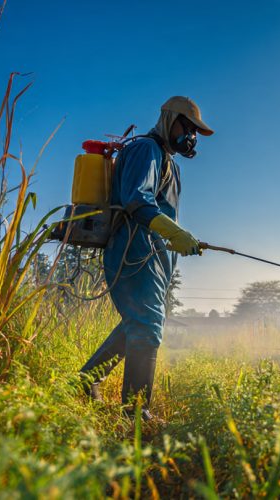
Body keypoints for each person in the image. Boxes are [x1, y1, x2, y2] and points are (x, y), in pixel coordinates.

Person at [79, 96, 213, 421]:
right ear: (170, 119)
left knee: (138, 323)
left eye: (196, 131)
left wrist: (179, 239)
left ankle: (84, 382)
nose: (192, 136)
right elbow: (136, 200)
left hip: (153, 259)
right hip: (134, 251)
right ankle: (136, 414)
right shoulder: (146, 150)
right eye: (188, 127)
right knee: (147, 326)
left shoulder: (169, 163)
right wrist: (175, 233)